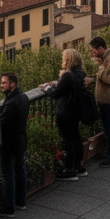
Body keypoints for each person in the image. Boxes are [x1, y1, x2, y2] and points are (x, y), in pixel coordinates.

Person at [46, 48, 88, 181]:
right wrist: (57, 84)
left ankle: (69, 170)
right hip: (76, 111)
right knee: (76, 137)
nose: (62, 60)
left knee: (68, 140)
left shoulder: (67, 75)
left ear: (68, 60)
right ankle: (79, 166)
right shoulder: (81, 73)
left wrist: (46, 88)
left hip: (66, 112)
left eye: (63, 58)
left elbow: (55, 93)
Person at [87, 36, 110, 168]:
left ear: (101, 48)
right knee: (107, 128)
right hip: (104, 100)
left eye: (94, 50)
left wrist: (101, 71)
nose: (93, 53)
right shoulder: (104, 60)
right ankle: (109, 152)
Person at [0, 72, 30, 217]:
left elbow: (1, 122)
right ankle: (21, 201)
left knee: (8, 174)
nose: (1, 85)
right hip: (21, 140)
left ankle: (9, 208)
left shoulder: (11, 103)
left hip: (9, 143)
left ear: (12, 84)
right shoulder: (23, 97)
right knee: (20, 169)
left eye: (4, 83)